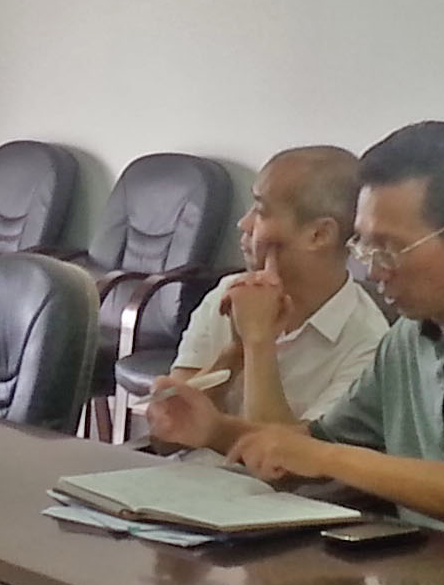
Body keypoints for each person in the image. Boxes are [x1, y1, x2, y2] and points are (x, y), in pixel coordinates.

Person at [141, 120, 444, 537]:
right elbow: (308, 445)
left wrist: (324, 458)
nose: (372, 270)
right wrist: (214, 429)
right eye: (364, 248)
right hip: (430, 579)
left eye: (389, 249)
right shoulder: (407, 340)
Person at [145, 145, 387, 424]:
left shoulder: (369, 345)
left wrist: (257, 341)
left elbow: (282, 451)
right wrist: (234, 352)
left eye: (260, 211)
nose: (243, 223)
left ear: (319, 234)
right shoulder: (232, 292)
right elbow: (170, 430)